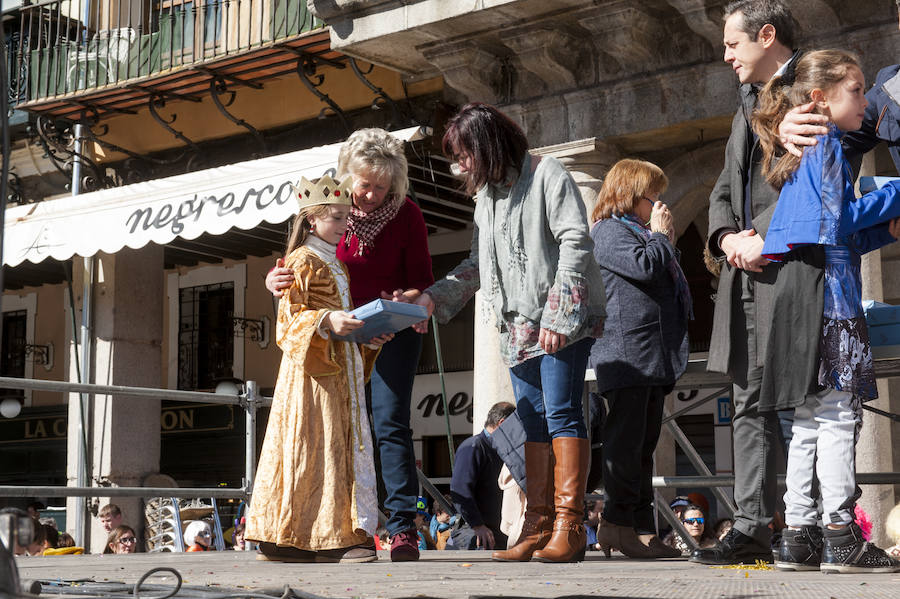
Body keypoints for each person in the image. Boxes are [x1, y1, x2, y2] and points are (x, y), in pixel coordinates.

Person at [410, 102, 606, 563]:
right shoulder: (485, 200)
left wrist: (557, 317)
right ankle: (536, 525)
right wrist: (433, 297)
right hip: (516, 326)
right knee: (532, 420)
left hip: (562, 320)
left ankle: (569, 526)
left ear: (486, 144)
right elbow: (477, 265)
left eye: (463, 154)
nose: (459, 165)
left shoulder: (548, 173)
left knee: (561, 413)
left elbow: (576, 241)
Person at [752, 48, 900, 574]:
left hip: (800, 291)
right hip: (829, 300)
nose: (865, 101)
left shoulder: (802, 152)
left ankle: (798, 533)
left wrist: (884, 229)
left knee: (810, 417)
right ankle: (840, 532)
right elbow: (837, 224)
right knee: (838, 416)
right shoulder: (829, 146)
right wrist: (897, 196)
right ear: (820, 97)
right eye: (856, 91)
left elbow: (825, 234)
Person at [266, 128, 433, 562]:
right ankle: (338, 528)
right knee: (335, 429)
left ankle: (401, 529)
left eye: (382, 187)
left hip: (388, 332)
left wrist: (407, 300)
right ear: (346, 177)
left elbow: (420, 280)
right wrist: (274, 281)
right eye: (365, 186)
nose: (372, 196)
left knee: (390, 423)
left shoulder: (408, 214)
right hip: (333, 340)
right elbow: (296, 267)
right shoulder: (326, 211)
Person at [698, 0, 803, 566]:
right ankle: (751, 526)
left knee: (804, 406)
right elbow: (722, 188)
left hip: (790, 270)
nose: (726, 54)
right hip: (747, 272)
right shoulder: (746, 105)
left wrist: (758, 235)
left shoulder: (811, 85)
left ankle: (813, 523)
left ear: (767, 35)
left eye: (733, 43)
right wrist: (725, 239)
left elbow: (805, 179)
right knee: (747, 400)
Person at [247, 174, 392, 565]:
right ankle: (333, 538)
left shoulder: (334, 263)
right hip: (314, 376)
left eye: (347, 217)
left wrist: (366, 336)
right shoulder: (302, 261)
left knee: (323, 448)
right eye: (336, 217)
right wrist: (328, 321)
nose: (344, 224)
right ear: (312, 221)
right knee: (318, 448)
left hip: (337, 369)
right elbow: (288, 321)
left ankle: (290, 538)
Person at [588, 158, 690, 560]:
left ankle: (641, 527)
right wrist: (663, 237)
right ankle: (617, 523)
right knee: (626, 444)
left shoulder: (637, 232)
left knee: (643, 445)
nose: (658, 206)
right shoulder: (609, 231)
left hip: (649, 354)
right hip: (627, 352)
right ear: (631, 195)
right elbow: (646, 267)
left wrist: (660, 238)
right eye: (653, 197)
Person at [777, 2, 900, 176]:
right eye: (855, 90)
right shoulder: (888, 89)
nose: (862, 100)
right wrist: (789, 130)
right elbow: (841, 137)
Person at [448, 401, 515, 550]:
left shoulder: (502, 450)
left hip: (498, 530)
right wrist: (477, 525)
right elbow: (460, 490)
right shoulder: (473, 447)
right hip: (475, 531)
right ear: (502, 423)